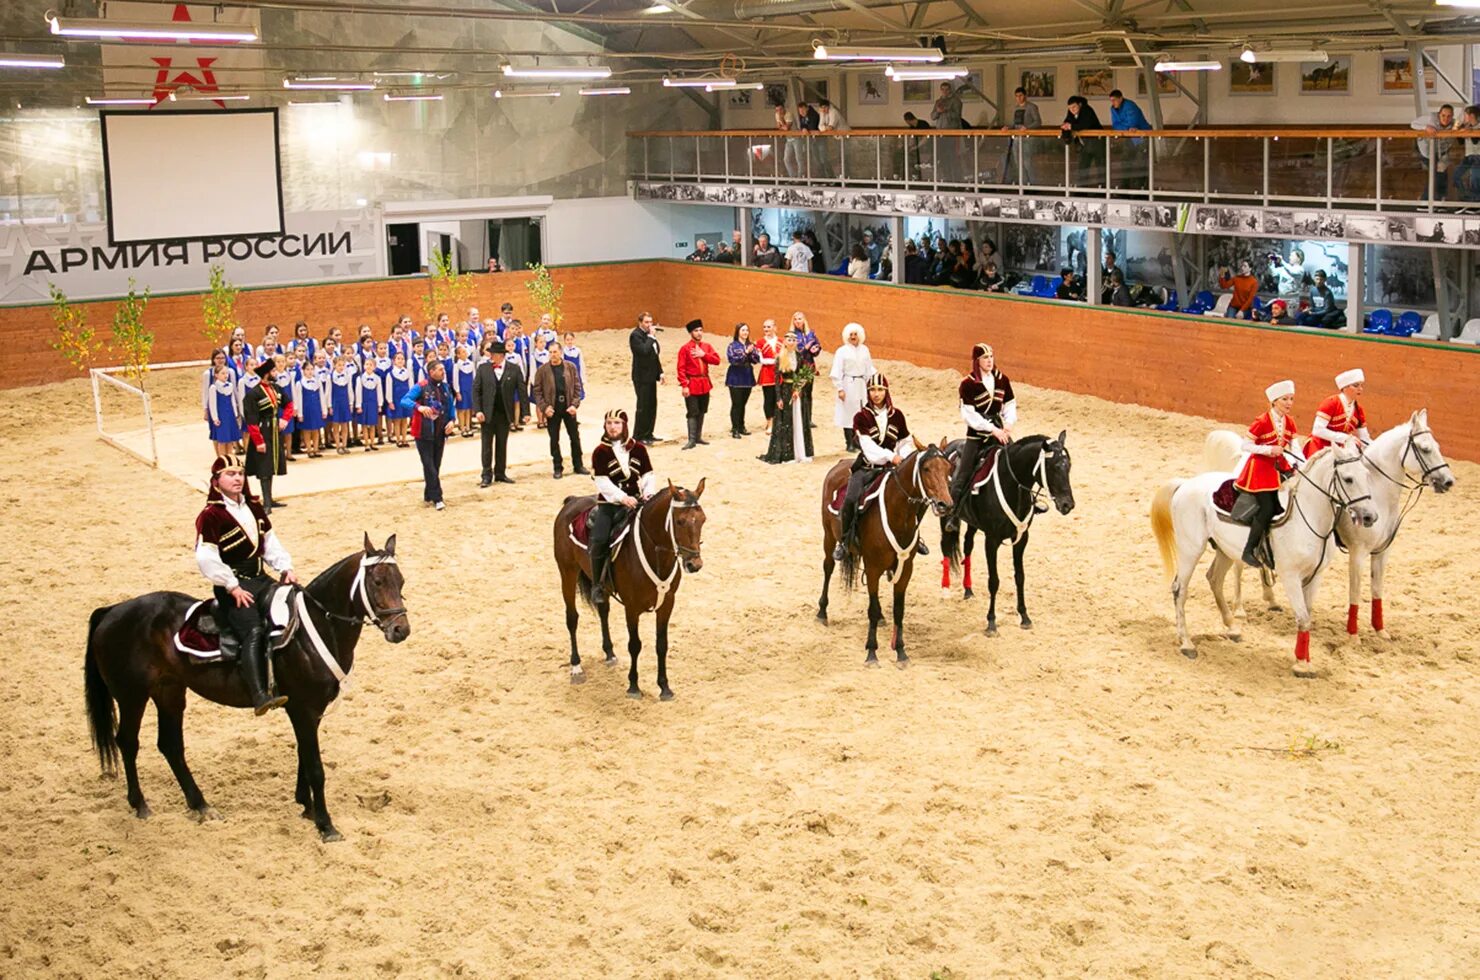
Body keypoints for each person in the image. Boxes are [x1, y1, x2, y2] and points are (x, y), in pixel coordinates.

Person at [195, 455, 296, 715]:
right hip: (234, 585)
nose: (238, 478)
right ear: (217, 482)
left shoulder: (254, 508)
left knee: (291, 611)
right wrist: (231, 586)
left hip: (261, 579)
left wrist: (285, 566)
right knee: (253, 630)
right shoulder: (211, 516)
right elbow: (206, 556)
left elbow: (270, 542)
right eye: (230, 474)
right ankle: (259, 694)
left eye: (240, 473)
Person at [833, 374, 922, 561]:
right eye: (872, 390)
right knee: (850, 499)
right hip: (867, 468)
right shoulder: (861, 417)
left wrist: (904, 457)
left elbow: (905, 441)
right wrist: (891, 456)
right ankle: (844, 540)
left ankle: (916, 536)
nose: (876, 394)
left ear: (886, 392)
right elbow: (868, 447)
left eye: (880, 390)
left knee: (917, 498)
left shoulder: (897, 415)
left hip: (892, 470)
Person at [588, 409, 657, 606]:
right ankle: (597, 585)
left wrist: (648, 493)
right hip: (609, 505)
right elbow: (602, 482)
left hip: (637, 500)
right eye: (609, 423)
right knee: (599, 539)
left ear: (624, 425)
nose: (612, 427)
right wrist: (622, 498)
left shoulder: (639, 449)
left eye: (617, 423)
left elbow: (647, 474)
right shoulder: (600, 452)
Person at [947, 343, 1016, 522]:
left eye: (991, 357)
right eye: (985, 358)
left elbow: (1009, 404)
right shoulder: (968, 384)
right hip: (977, 435)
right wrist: (992, 429)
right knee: (963, 473)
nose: (989, 361)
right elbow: (969, 415)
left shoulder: (1002, 380)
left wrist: (1008, 424)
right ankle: (952, 513)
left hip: (1000, 431)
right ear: (977, 361)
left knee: (1015, 461)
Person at [1235, 380, 1299, 568]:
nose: (1289, 403)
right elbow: (1245, 445)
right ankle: (1249, 549)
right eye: (1285, 399)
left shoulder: (1290, 422)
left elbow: (1295, 447)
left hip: (1280, 467)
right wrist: (1269, 450)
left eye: (1291, 399)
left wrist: (1301, 464)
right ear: (1274, 402)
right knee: (1268, 508)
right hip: (1260, 470)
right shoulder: (1262, 421)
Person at [400, 359, 458, 510]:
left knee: (435, 465)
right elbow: (404, 400)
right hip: (423, 433)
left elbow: (451, 407)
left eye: (443, 369)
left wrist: (452, 421)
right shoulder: (421, 387)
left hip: (440, 432)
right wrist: (418, 407)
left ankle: (428, 494)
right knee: (429, 465)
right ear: (431, 371)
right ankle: (438, 497)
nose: (443, 372)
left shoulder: (446, 387)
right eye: (440, 370)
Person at [532, 340, 587, 479]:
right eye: (550, 352)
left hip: (568, 407)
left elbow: (577, 387)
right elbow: (537, 391)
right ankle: (557, 467)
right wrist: (545, 408)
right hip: (552, 409)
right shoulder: (542, 370)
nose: (553, 355)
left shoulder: (570, 367)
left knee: (574, 437)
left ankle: (578, 464)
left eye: (555, 352)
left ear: (561, 352)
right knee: (554, 439)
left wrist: (575, 404)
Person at [243, 360, 292, 513]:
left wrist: (285, 419)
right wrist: (258, 441)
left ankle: (269, 499)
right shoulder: (253, 394)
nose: (276, 374)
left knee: (271, 465)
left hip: (275, 432)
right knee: (264, 468)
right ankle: (266, 504)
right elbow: (251, 421)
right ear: (266, 374)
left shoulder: (276, 388)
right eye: (273, 371)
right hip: (263, 432)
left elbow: (289, 404)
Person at [473, 338, 523, 486]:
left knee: (502, 444)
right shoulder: (483, 368)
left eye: (493, 353)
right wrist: (478, 410)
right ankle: (486, 475)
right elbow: (476, 390)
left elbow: (521, 390)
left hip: (504, 413)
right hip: (488, 413)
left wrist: (525, 412)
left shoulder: (514, 369)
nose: (491, 356)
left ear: (500, 355)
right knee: (486, 446)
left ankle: (500, 473)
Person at [759, 330, 814, 464]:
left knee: (799, 419)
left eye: (794, 340)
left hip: (797, 392)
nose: (791, 342)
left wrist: (798, 388)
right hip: (785, 391)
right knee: (786, 421)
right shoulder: (780, 357)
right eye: (789, 340)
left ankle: (801, 452)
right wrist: (778, 398)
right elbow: (777, 379)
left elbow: (802, 374)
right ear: (785, 342)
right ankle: (787, 453)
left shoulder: (799, 357)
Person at [676, 318, 721, 450]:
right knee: (692, 411)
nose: (699, 333)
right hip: (692, 383)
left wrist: (704, 355)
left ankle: (698, 437)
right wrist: (684, 384)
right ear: (691, 333)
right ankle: (691, 439)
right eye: (696, 330)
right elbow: (681, 368)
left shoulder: (706, 347)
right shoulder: (685, 348)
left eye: (701, 330)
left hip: (704, 383)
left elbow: (717, 360)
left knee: (702, 410)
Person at [829, 322, 874, 452]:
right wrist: (840, 388)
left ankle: (858, 440)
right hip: (848, 383)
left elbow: (868, 367)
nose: (853, 337)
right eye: (851, 334)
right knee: (848, 413)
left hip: (861, 385)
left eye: (856, 334)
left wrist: (869, 384)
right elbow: (837, 370)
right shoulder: (841, 351)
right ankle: (849, 442)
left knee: (861, 413)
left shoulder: (864, 350)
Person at [1307, 369, 1371, 454]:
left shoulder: (1358, 409)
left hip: (1340, 452)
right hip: (1319, 450)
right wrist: (1345, 438)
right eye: (1356, 386)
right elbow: (1317, 430)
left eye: (1361, 385)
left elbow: (1364, 438)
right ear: (1344, 388)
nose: (1360, 389)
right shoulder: (1331, 403)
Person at [628, 311, 665, 445]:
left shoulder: (650, 337)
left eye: (651, 322)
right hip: (641, 377)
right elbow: (643, 351)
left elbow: (654, 355)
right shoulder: (635, 336)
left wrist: (660, 372)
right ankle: (638, 435)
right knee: (643, 406)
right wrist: (650, 337)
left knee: (651, 405)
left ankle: (649, 433)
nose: (650, 324)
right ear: (640, 323)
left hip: (650, 376)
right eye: (646, 322)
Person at [1107, 89, 1150, 189]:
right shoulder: (1113, 108)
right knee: (1125, 161)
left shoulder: (1130, 106)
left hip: (1141, 137)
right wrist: (1126, 128)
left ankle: (1141, 188)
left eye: (1114, 100)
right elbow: (1115, 125)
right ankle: (1125, 186)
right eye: (1111, 101)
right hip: (1129, 138)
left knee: (1140, 162)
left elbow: (1132, 123)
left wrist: (1125, 128)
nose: (1113, 103)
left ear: (1121, 98)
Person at [1411, 103, 1456, 201]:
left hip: (1442, 151)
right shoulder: (1430, 118)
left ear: (1452, 117)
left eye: (1449, 116)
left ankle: (1440, 200)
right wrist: (1425, 127)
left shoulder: (1454, 124)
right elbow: (1413, 124)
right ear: (1439, 114)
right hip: (1427, 150)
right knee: (1434, 174)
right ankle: (1425, 201)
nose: (1445, 118)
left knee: (1442, 174)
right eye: (1443, 115)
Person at [998, 86, 1041, 184]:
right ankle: (1023, 183)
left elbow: (1038, 121)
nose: (1019, 98)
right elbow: (1015, 124)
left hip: (1028, 138)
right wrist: (1008, 128)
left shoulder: (1032, 107)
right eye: (1016, 96)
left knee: (1027, 162)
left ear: (1025, 96)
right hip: (1017, 138)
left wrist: (1027, 127)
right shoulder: (1016, 108)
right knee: (1018, 162)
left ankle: (1033, 183)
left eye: (1020, 95)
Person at [1059, 96, 1105, 186]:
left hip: (1097, 141)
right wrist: (1066, 134)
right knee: (1083, 167)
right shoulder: (1071, 112)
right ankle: (1081, 190)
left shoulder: (1087, 110)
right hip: (1084, 143)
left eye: (1074, 107)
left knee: (1100, 167)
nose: (1072, 110)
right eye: (1070, 108)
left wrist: (1071, 126)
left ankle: (1103, 190)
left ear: (1079, 105)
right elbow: (1067, 122)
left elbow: (1085, 124)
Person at [725, 322, 759, 439]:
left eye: (747, 330)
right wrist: (746, 353)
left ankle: (741, 426)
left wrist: (752, 353)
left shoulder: (751, 345)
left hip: (747, 377)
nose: (745, 332)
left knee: (743, 404)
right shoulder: (732, 346)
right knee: (736, 404)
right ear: (738, 332)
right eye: (743, 330)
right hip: (735, 378)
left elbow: (756, 360)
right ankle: (735, 428)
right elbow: (733, 360)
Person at [792, 312, 822, 430]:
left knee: (808, 393)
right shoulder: (793, 335)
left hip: (809, 366)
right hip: (798, 367)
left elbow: (817, 348)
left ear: (804, 320)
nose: (798, 321)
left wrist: (815, 349)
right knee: (799, 392)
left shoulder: (810, 334)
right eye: (795, 319)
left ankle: (808, 418)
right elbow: (795, 351)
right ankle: (799, 418)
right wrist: (805, 349)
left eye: (800, 319)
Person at [206, 364, 243, 458]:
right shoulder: (213, 387)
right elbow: (212, 404)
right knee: (222, 440)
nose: (226, 375)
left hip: (230, 415)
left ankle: (230, 458)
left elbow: (232, 400)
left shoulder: (230, 385)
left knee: (230, 440)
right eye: (223, 373)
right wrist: (215, 418)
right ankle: (222, 459)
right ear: (216, 375)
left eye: (226, 373)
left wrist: (235, 414)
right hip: (221, 416)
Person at [756, 319, 781, 436]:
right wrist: (775, 360)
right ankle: (770, 422)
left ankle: (777, 421)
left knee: (779, 398)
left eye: (768, 327)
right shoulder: (759, 342)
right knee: (768, 398)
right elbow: (761, 360)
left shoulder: (782, 341)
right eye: (764, 327)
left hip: (780, 374)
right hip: (767, 374)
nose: (766, 329)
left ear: (775, 328)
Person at [1454, 104, 1480, 202]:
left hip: (1478, 156)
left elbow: (1475, 141)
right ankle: (1466, 198)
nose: (1464, 118)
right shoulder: (1465, 126)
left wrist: (1471, 131)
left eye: (1465, 115)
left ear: (1471, 116)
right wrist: (1460, 133)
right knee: (1456, 175)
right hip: (1468, 156)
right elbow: (1460, 143)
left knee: (1475, 178)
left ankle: (1476, 202)